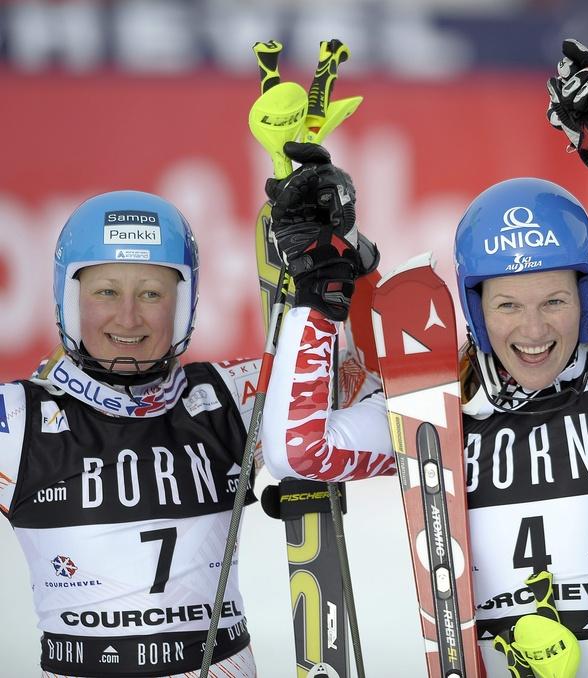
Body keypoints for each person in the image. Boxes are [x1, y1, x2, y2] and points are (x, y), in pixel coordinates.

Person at [261, 39, 588, 677]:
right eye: (507, 306)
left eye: (554, 300)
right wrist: (318, 294)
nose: (533, 329)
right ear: (473, 306)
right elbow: (297, 450)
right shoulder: (436, 412)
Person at [0, 187, 386, 678]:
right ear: (69, 301)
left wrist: (348, 257)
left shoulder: (234, 394)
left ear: (184, 305)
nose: (128, 317)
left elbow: (386, 378)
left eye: (151, 293)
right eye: (105, 292)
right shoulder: (18, 419)